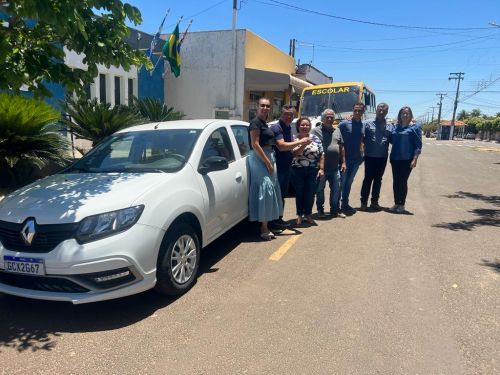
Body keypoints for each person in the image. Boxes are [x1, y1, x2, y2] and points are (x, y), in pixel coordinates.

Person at [271, 105, 311, 230]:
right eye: (286, 114)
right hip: (278, 167)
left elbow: (292, 152)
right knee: (276, 196)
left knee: (282, 195)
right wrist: (301, 141)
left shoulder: (288, 128)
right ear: (280, 114)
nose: (288, 117)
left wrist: (303, 145)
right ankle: (273, 222)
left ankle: (278, 219)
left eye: (291, 114)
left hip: (287, 167)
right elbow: (281, 146)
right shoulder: (276, 128)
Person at [248, 97, 283, 240]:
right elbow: (255, 144)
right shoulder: (255, 122)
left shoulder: (265, 123)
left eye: (268, 106)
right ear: (257, 106)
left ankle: (267, 223)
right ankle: (263, 228)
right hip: (260, 157)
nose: (265, 108)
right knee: (265, 188)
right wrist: (267, 162)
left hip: (268, 156)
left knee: (271, 189)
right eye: (262, 105)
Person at [311, 108, 346, 219]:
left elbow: (341, 148)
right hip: (320, 168)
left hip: (335, 167)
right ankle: (320, 210)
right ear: (323, 118)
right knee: (320, 190)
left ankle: (334, 211)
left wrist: (344, 162)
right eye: (327, 117)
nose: (330, 119)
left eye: (332, 117)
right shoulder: (315, 131)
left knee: (336, 189)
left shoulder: (337, 130)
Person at [290, 117, 324, 225]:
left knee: (310, 193)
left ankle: (308, 215)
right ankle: (300, 215)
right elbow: (294, 154)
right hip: (297, 170)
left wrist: (322, 169)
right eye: (302, 125)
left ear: (310, 127)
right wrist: (303, 143)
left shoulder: (315, 138)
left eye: (307, 125)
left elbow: (322, 154)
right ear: (298, 127)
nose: (305, 127)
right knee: (299, 193)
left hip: (312, 170)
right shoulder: (294, 139)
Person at [389, 106, 422, 213]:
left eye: (407, 113)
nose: (405, 115)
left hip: (407, 159)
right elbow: (390, 139)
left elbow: (418, 145)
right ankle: (396, 203)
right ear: (400, 115)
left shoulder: (415, 128)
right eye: (403, 113)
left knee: (402, 181)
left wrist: (415, 159)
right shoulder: (395, 127)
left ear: (410, 115)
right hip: (395, 158)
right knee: (396, 182)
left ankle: (401, 205)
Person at [360, 103, 392, 211]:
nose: (381, 112)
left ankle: (374, 202)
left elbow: (393, 139)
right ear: (376, 110)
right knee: (368, 179)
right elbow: (360, 134)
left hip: (382, 158)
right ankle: (363, 202)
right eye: (380, 110)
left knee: (378, 180)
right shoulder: (367, 123)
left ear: (387, 112)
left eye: (384, 110)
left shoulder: (390, 125)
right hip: (370, 157)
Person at [338, 102, 365, 214]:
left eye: (360, 110)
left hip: (356, 159)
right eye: (355, 110)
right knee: (341, 183)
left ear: (363, 112)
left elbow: (364, 141)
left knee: (349, 183)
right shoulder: (344, 124)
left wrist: (361, 158)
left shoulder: (364, 125)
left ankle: (345, 204)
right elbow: (337, 139)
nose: (357, 112)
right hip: (344, 160)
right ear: (352, 111)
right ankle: (336, 206)